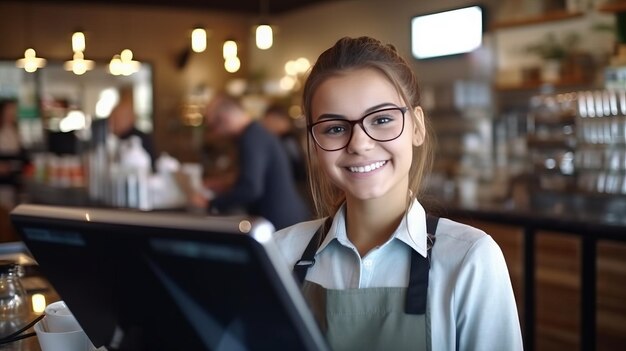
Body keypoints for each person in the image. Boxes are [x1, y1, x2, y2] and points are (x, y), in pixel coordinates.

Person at [273, 36, 523, 350]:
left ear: (417, 127)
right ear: (314, 144)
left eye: (382, 120)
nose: (359, 144)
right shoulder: (280, 255)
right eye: (335, 128)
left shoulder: (470, 259)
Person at [193, 93, 311, 230]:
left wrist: (211, 203)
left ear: (225, 119)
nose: (216, 134)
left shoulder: (251, 138)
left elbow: (251, 188)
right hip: (286, 216)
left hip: (279, 222)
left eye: (214, 127)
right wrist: (224, 184)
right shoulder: (255, 133)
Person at [261, 103, 310, 203]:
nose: (266, 125)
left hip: (296, 192)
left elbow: (297, 166)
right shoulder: (288, 138)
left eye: (269, 121)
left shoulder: (287, 140)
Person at [108, 99, 156, 167]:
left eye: (116, 118)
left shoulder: (138, 139)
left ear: (130, 118)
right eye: (112, 118)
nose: (111, 123)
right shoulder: (116, 140)